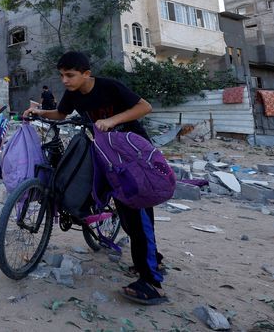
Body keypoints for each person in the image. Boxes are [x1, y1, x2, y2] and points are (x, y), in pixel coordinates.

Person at [23, 51, 167, 305]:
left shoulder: (109, 87)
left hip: (132, 155)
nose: (65, 80)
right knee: (127, 214)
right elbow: (62, 113)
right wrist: (39, 114)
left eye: (70, 75)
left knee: (137, 213)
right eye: (62, 76)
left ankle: (152, 283)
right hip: (109, 156)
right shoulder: (73, 94)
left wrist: (111, 120)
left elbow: (145, 106)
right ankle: (151, 257)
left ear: (86, 74)